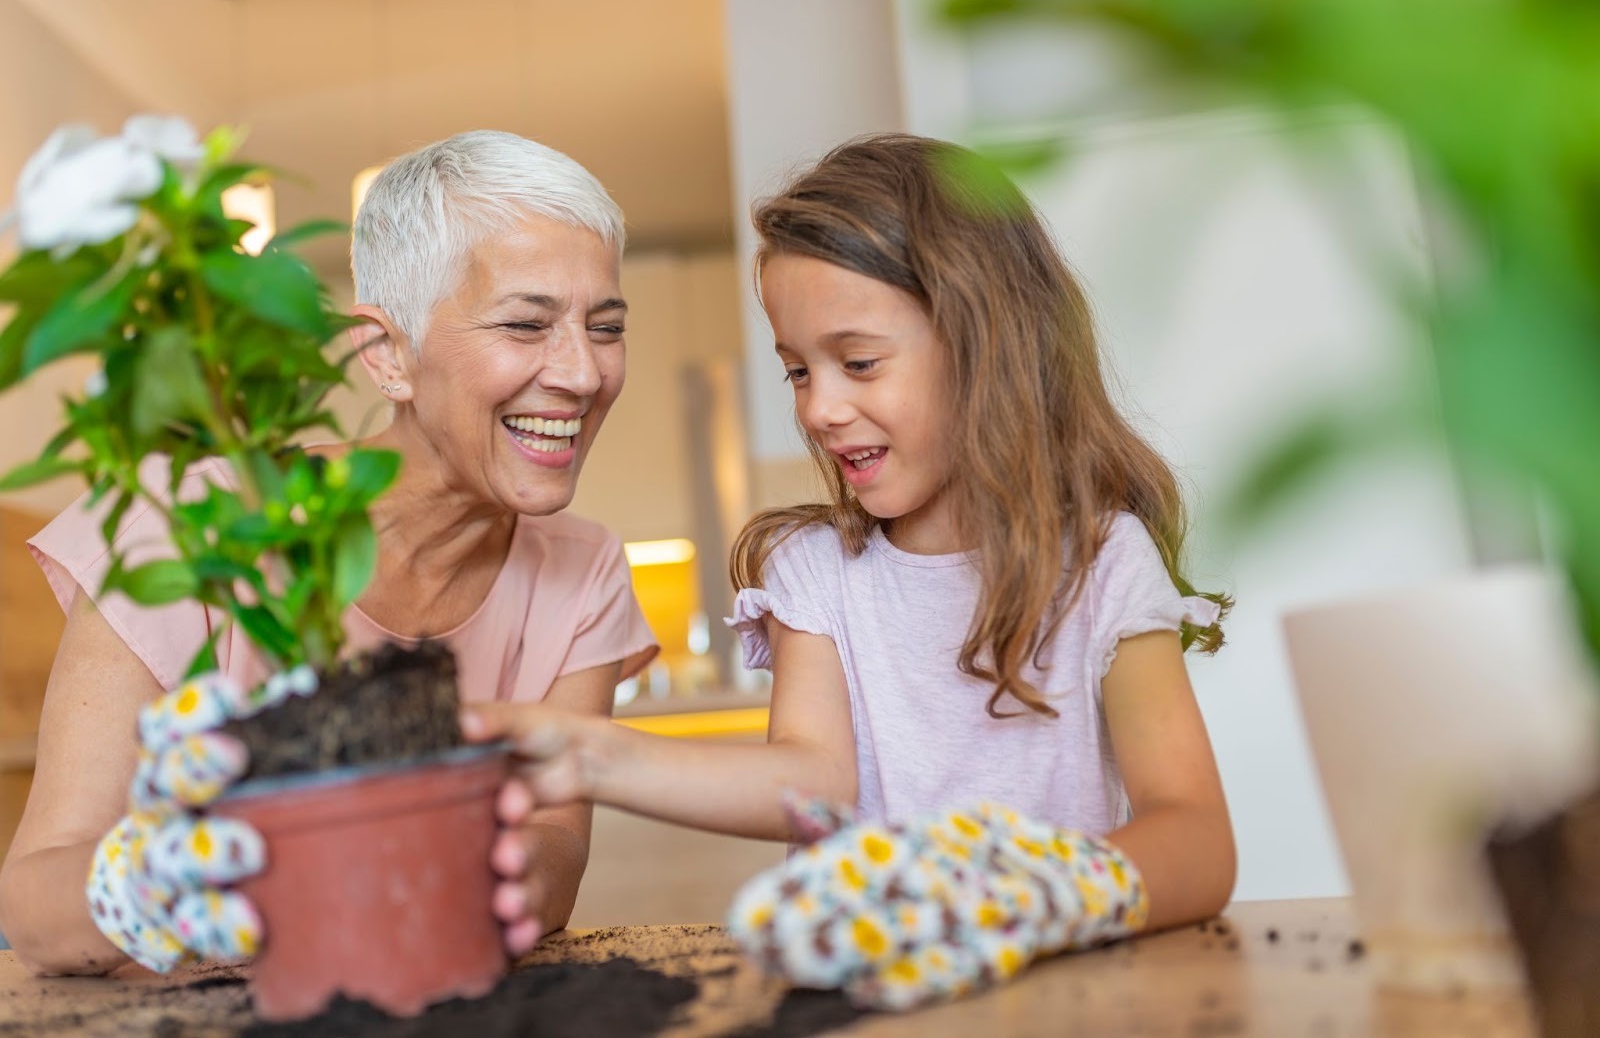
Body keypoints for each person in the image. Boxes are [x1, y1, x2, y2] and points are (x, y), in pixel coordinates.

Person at [464, 133, 1236, 1005]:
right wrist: (592, 755)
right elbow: (812, 782)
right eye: (799, 371)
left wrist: (1020, 899)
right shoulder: (815, 573)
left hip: (1065, 1006)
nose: (821, 409)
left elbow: (1199, 841)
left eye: (858, 362)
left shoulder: (1100, 563)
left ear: (988, 343)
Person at [0, 130, 657, 975]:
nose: (581, 372)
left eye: (605, 327)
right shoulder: (192, 524)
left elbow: (557, 838)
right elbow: (39, 908)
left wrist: (498, 878)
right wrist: (219, 871)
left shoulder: (584, 571)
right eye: (527, 324)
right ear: (386, 355)